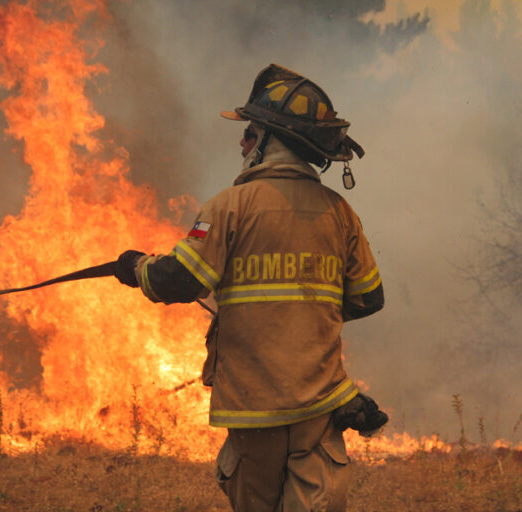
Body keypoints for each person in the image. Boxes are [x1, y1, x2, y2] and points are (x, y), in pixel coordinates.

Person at [114, 63, 386, 511]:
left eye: (249, 132)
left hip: (253, 410)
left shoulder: (228, 208)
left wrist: (136, 266)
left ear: (265, 141)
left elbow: (181, 280)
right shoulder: (340, 213)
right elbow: (368, 298)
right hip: (319, 408)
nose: (241, 142)